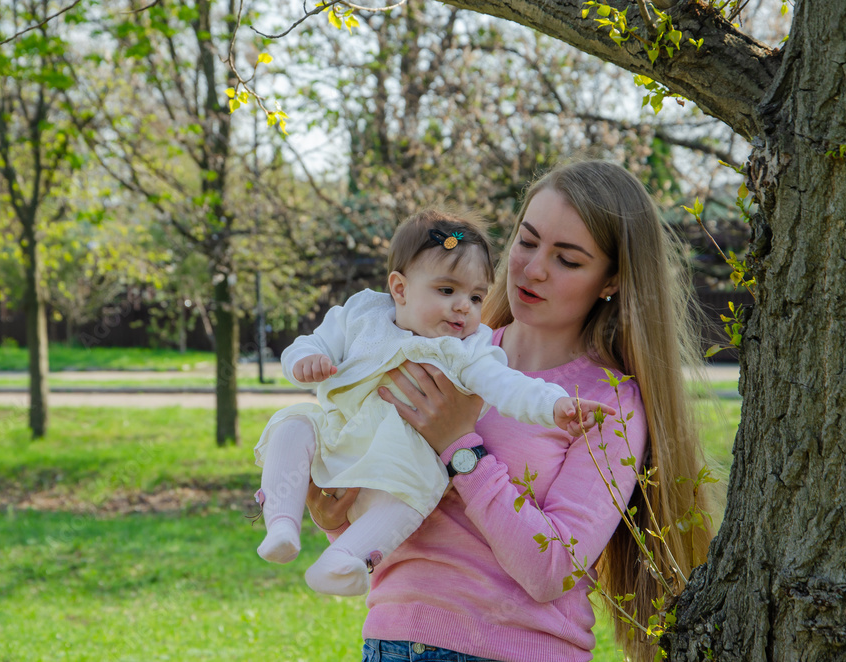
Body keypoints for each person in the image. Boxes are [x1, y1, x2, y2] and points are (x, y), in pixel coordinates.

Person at [306, 160, 715, 662]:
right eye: (527, 241)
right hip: (392, 641)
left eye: (567, 259)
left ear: (610, 280)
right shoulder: (435, 352)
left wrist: (462, 449)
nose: (533, 268)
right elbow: (396, 513)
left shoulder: (604, 404)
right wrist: (336, 521)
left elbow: (552, 570)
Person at [253, 207, 614, 598]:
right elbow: (311, 342)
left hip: (401, 469)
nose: (464, 306)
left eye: (476, 297)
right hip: (341, 442)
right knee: (292, 424)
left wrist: (554, 406)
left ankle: (346, 560)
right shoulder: (363, 313)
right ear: (400, 289)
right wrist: (304, 362)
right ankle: (281, 524)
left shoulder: (469, 350)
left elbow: (510, 386)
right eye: (447, 291)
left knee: (419, 493)